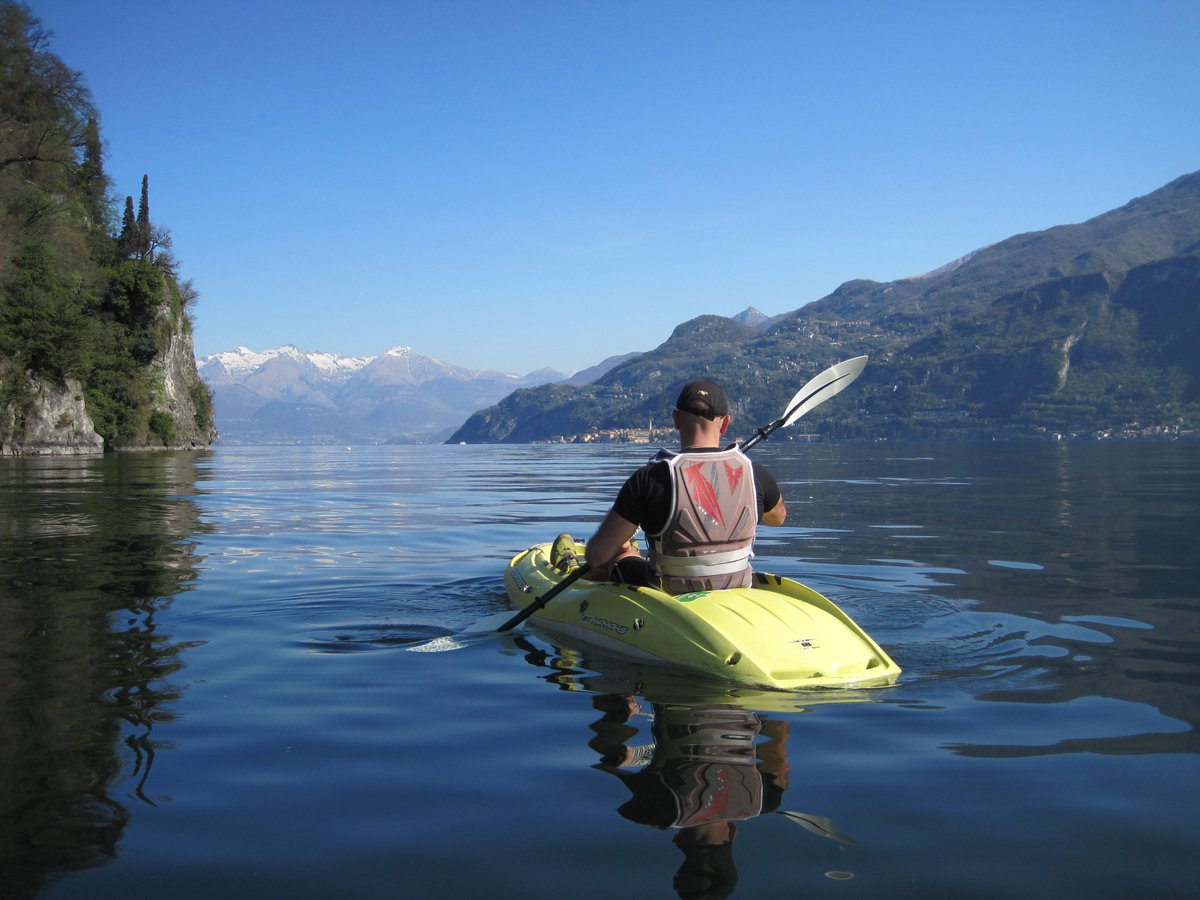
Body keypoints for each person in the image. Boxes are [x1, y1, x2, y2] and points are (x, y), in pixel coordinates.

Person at [574, 379, 786, 594]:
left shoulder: (650, 478)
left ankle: (623, 553)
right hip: (737, 587)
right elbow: (777, 518)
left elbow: (596, 555)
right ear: (725, 423)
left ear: (676, 419)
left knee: (617, 555)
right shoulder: (755, 473)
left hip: (668, 594)